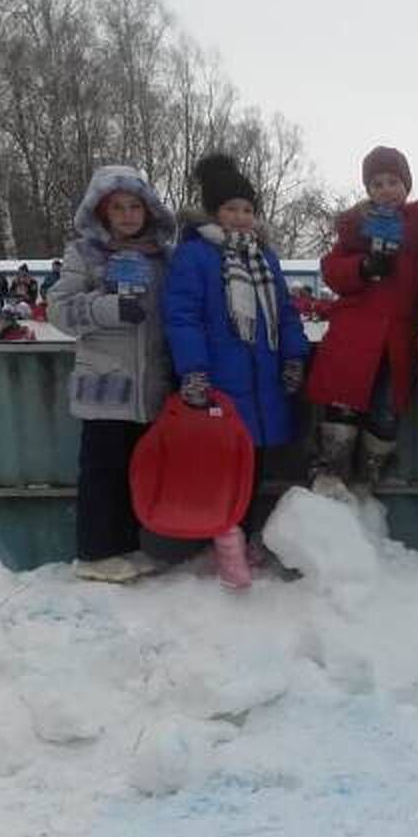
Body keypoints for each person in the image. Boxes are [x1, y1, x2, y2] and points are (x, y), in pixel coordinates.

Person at [164, 153, 309, 590]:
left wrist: (293, 356)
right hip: (220, 381)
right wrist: (193, 371)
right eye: (231, 209)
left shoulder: (263, 258)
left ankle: (244, 537)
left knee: (258, 464)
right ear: (213, 212)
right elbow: (182, 316)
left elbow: (285, 313)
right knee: (225, 466)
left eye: (247, 209)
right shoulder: (194, 256)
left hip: (263, 382)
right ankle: (227, 539)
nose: (241, 217)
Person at [307, 146, 418, 498]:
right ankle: (331, 477)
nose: (385, 190)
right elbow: (332, 271)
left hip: (398, 339)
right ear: (368, 190)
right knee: (342, 407)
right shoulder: (355, 231)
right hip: (354, 337)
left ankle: (367, 480)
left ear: (406, 185)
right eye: (377, 183)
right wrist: (363, 267)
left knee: (385, 412)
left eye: (393, 181)